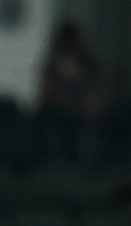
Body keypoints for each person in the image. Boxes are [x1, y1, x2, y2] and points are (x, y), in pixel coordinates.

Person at [39, 22, 101, 166]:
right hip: (57, 118)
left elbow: (94, 89)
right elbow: (46, 91)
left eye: (72, 40)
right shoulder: (52, 65)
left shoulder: (86, 64)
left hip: (79, 119)